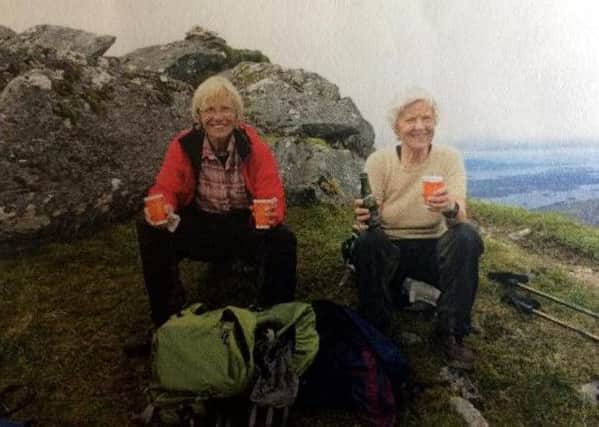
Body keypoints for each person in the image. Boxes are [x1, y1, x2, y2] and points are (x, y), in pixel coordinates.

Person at [134, 75, 297, 335]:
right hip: (201, 223)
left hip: (243, 225)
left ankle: (274, 319)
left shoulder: (254, 147)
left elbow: (271, 193)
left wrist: (268, 217)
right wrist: (163, 208)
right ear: (198, 115)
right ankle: (165, 320)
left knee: (284, 239)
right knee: (149, 228)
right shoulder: (184, 145)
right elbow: (165, 187)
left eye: (225, 109)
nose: (217, 117)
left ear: (237, 115)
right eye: (209, 109)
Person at [351, 87, 484, 370]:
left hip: (433, 250)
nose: (420, 127)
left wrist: (449, 206)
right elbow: (369, 218)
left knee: (467, 235)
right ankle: (377, 331)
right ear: (396, 127)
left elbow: (461, 215)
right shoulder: (380, 162)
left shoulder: (448, 159)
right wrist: (364, 217)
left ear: (435, 123)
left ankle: (451, 332)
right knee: (366, 243)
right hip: (391, 250)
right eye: (410, 120)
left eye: (427, 118)